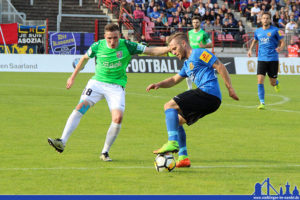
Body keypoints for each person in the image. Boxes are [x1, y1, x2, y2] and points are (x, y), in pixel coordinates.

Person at [48, 23, 170, 161]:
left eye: (116, 38)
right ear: (105, 36)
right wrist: (72, 77)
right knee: (80, 107)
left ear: (120, 36)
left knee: (117, 118)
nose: (113, 42)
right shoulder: (97, 46)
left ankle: (105, 152)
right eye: (109, 38)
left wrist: (169, 48)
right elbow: (83, 59)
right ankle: (62, 141)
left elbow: (151, 51)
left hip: (116, 87)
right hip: (96, 84)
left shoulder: (128, 45)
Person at [146, 32, 239, 168]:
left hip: (208, 92)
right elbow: (174, 79)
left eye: (174, 48)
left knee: (169, 105)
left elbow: (219, 66)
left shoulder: (200, 53)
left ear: (183, 44)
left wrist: (230, 88)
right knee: (176, 121)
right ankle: (183, 157)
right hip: (210, 100)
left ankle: (172, 142)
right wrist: (159, 84)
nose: (173, 52)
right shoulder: (187, 64)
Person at [247, 12, 285, 110]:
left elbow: (282, 42)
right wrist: (250, 49)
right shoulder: (258, 31)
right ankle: (262, 103)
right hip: (261, 59)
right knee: (260, 81)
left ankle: (276, 83)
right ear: (261, 20)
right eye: (263, 18)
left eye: (267, 18)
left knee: (272, 82)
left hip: (273, 59)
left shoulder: (276, 30)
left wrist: (280, 48)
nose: (265, 20)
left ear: (270, 20)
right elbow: (255, 40)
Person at [186, 16, 213, 90]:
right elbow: (187, 43)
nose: (195, 24)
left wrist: (204, 45)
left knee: (202, 73)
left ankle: (205, 87)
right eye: (194, 22)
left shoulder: (204, 33)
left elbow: (211, 44)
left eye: (197, 22)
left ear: (200, 23)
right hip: (191, 55)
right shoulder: (189, 33)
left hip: (202, 55)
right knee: (188, 71)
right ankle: (189, 88)